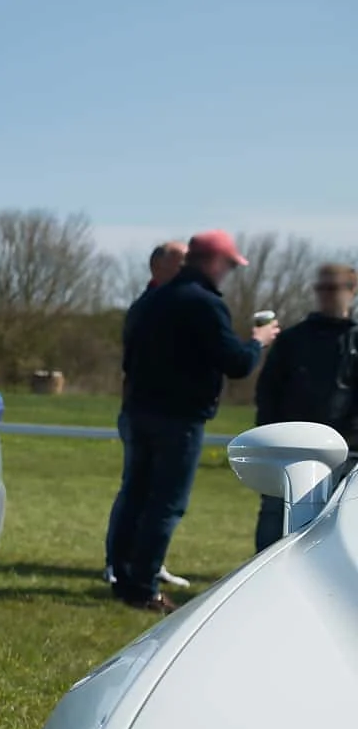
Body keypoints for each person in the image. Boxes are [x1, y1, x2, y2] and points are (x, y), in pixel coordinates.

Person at [108, 230, 279, 613]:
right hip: (179, 419)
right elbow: (236, 363)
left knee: (135, 496)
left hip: (139, 411)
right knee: (166, 504)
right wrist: (258, 341)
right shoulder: (204, 303)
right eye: (230, 265)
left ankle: (121, 577)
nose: (230, 273)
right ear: (215, 263)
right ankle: (144, 587)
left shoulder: (151, 299)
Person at [251, 263, 358, 549]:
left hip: (347, 452)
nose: (324, 295)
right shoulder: (292, 339)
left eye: (332, 288)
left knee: (339, 528)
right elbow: (268, 393)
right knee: (275, 520)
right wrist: (270, 438)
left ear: (352, 291)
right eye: (320, 288)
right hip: (290, 450)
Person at [105, 240, 191, 588]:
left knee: (156, 494)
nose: (189, 268)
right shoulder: (148, 307)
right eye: (181, 262)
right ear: (158, 266)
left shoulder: (176, 305)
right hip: (144, 413)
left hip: (161, 412)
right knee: (137, 492)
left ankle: (149, 563)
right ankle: (119, 564)